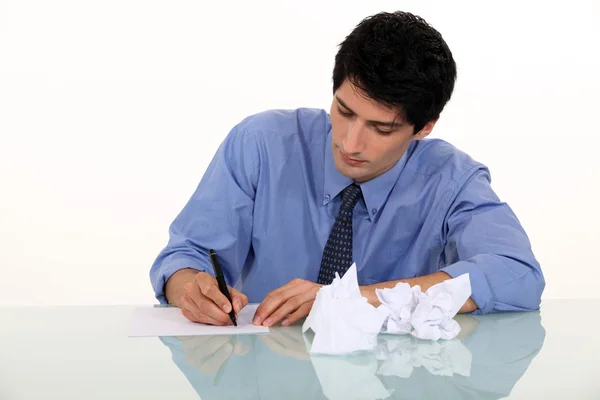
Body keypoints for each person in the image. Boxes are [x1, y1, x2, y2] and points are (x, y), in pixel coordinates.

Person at [149, 10, 545, 327]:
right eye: (344, 111)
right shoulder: (261, 144)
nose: (350, 143)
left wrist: (350, 299)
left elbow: (516, 274)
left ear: (423, 127)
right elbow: (187, 253)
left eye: (382, 128)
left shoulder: (451, 181)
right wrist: (190, 288)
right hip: (266, 375)